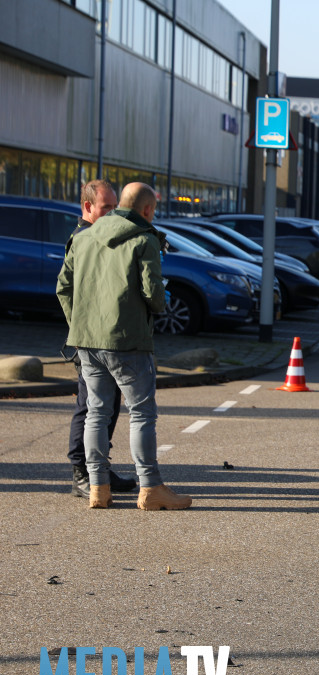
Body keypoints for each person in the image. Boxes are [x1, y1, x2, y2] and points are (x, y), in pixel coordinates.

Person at [56, 182, 193, 510]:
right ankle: (151, 488)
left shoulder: (83, 236)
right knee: (142, 413)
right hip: (127, 341)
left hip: (86, 340)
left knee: (96, 412)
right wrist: (161, 293)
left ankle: (98, 488)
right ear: (147, 210)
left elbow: (64, 286)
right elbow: (155, 299)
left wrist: (79, 323)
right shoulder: (144, 240)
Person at [65, 180, 138, 499]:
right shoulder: (82, 239)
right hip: (90, 339)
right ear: (88, 207)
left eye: (114, 206)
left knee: (107, 405)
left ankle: (100, 469)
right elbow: (65, 289)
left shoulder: (105, 235)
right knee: (90, 406)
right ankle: (82, 472)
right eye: (105, 207)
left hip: (109, 336)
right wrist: (79, 327)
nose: (112, 213)